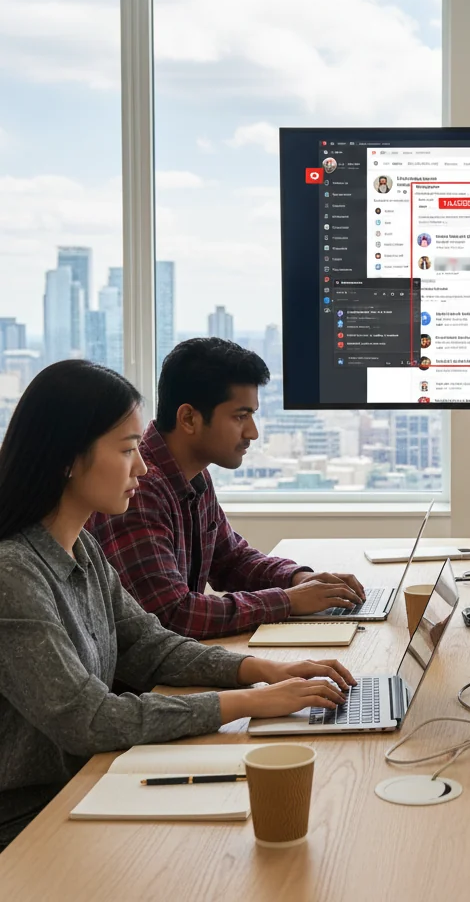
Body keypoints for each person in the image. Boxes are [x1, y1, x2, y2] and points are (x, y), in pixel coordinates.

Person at [0, 361, 355, 852]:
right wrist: (250, 701)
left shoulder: (82, 549)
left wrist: (265, 670)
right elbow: (90, 719)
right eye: (127, 451)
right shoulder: (12, 574)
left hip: (91, 783)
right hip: (28, 819)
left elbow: (153, 646)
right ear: (66, 458)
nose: (142, 467)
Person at [88, 339, 365, 639]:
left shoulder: (194, 476)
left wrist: (298, 578)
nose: (253, 433)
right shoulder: (139, 489)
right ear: (189, 418)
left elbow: (231, 560)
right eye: (240, 416)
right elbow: (171, 616)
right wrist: (287, 601)